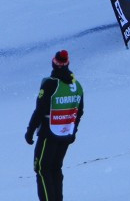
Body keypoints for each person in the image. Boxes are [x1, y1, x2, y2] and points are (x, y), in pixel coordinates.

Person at [25, 50, 84, 201]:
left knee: (42, 169)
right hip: (65, 134)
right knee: (55, 168)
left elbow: (40, 110)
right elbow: (79, 111)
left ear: (54, 63)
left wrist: (30, 130)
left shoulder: (50, 84)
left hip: (48, 133)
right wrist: (73, 130)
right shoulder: (77, 85)